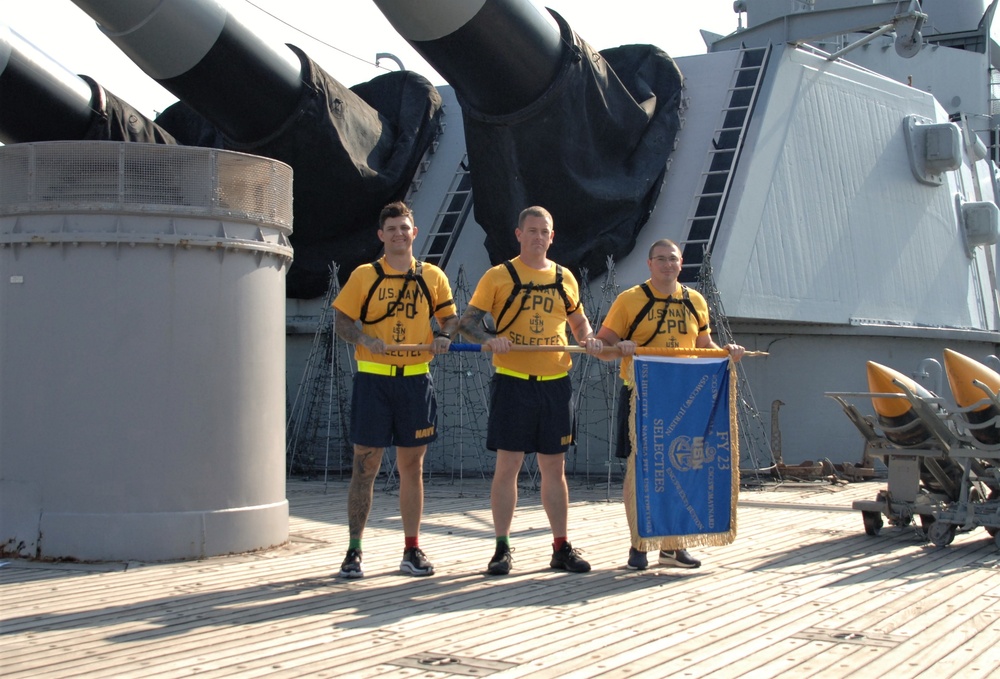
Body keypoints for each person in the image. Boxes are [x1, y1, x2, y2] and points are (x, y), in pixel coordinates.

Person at [458, 206, 603, 575]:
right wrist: (491, 340)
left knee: (555, 468)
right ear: (518, 234)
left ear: (552, 237)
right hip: (513, 383)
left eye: (545, 231)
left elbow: (578, 319)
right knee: (508, 466)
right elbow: (468, 323)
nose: (539, 237)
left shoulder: (564, 277)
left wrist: (587, 339)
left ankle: (560, 547)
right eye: (532, 230)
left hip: (555, 383)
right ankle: (502, 548)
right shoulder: (499, 275)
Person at [595, 239, 744, 571]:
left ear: (681, 263)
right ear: (649, 264)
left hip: (686, 397)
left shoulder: (695, 301)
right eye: (660, 259)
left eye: (672, 259)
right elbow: (601, 347)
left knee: (682, 466)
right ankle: (639, 544)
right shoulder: (630, 300)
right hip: (642, 395)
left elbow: (704, 345)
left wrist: (727, 352)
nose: (667, 265)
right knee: (641, 469)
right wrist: (619, 347)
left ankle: (674, 545)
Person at [332, 201, 459, 578]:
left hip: (416, 382)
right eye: (392, 229)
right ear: (381, 235)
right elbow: (341, 321)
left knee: (412, 467)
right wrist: (363, 338)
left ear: (414, 233)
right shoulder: (364, 276)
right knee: (365, 466)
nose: (399, 234)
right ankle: (354, 551)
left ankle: (412, 549)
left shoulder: (433, 276)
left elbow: (450, 319)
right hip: (374, 380)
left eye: (405, 228)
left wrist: (442, 335)